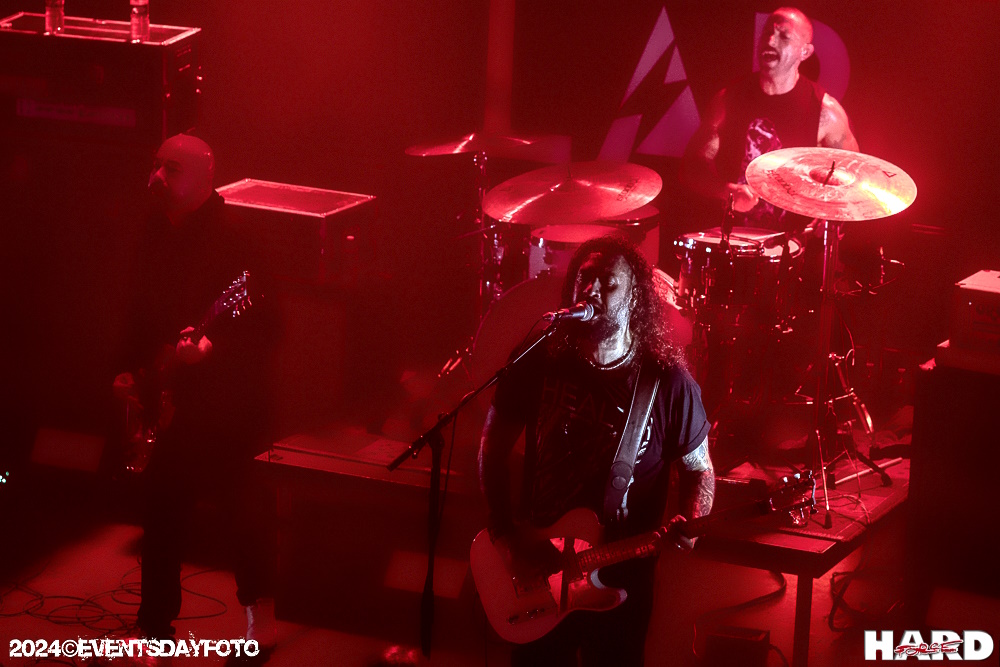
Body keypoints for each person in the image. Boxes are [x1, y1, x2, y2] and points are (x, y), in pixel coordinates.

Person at [478, 235, 714, 665]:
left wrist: (692, 517)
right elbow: (492, 448)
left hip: (622, 575)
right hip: (539, 569)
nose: (592, 290)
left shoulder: (667, 383)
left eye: (608, 282)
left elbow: (699, 468)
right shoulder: (539, 358)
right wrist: (505, 538)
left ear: (635, 298)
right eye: (584, 278)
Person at [112, 134, 278, 654]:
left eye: (172, 169)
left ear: (206, 178)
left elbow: (269, 327)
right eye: (156, 165)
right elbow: (137, 308)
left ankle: (259, 620)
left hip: (227, 406)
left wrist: (212, 350)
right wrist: (127, 369)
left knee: (242, 516)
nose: (156, 178)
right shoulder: (153, 231)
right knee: (161, 515)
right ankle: (153, 630)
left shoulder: (238, 241)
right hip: (171, 399)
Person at [681, 6, 859, 230]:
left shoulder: (825, 112)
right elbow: (691, 168)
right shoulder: (728, 100)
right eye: (767, 33)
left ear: (805, 52)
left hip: (793, 244)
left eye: (784, 36)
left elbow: (855, 180)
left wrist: (828, 216)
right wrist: (726, 191)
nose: (770, 40)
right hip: (732, 239)